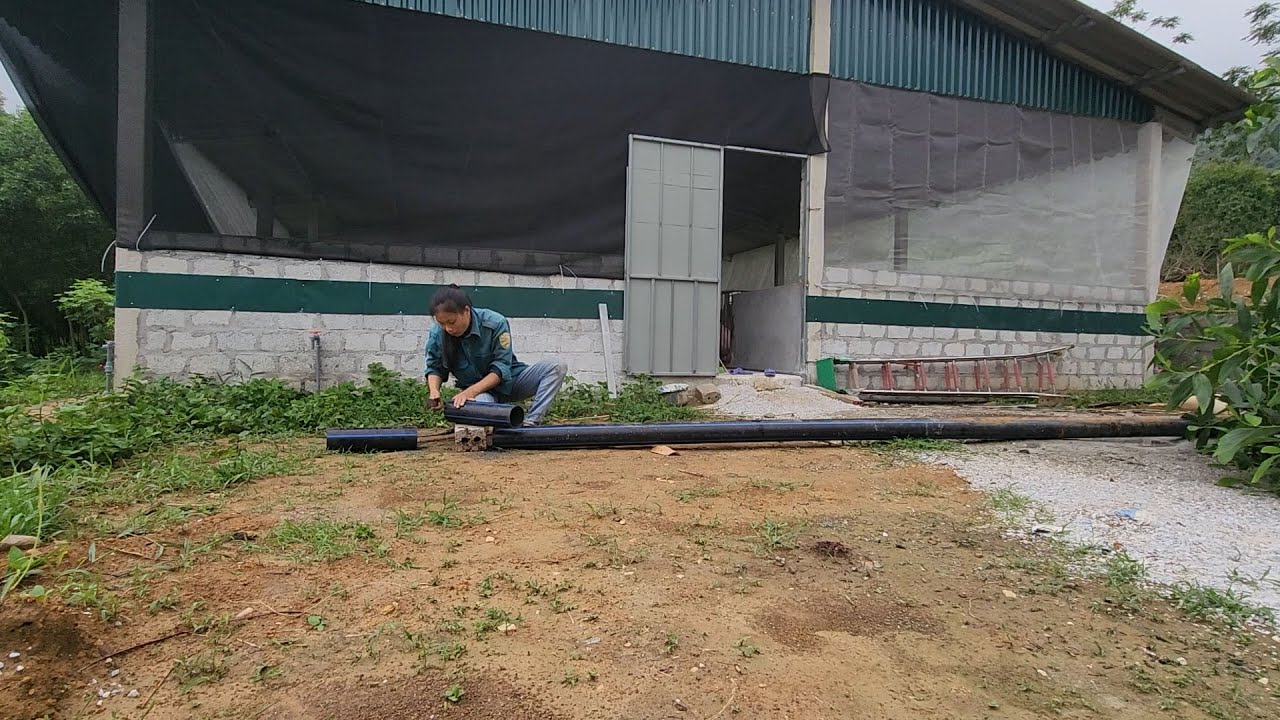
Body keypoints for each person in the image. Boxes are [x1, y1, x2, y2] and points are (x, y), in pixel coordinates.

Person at [424, 285, 567, 426]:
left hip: (512, 382)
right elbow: (434, 367)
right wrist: (434, 391)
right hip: (482, 395)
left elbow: (501, 368)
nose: (448, 328)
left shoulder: (495, 323)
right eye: (442, 323)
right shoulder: (437, 334)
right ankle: (499, 421)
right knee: (479, 413)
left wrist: (468, 392)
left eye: (451, 322)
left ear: (466, 311)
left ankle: (531, 422)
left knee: (556, 366)